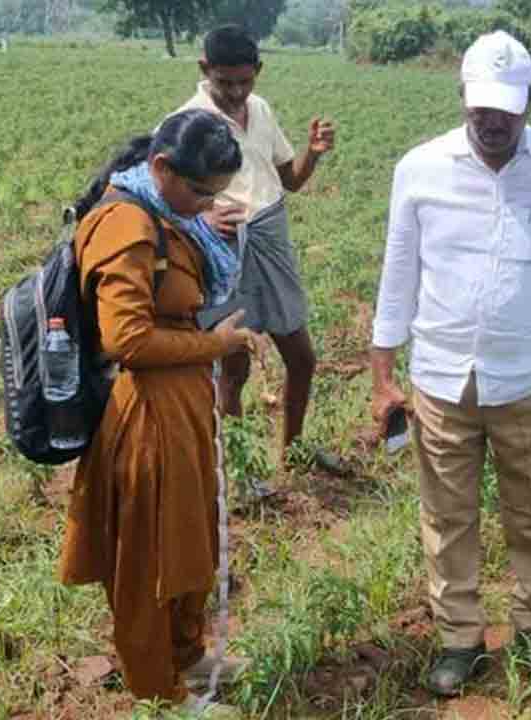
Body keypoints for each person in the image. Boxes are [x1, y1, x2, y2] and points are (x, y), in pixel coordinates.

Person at [370, 31, 531, 697]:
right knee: (447, 514)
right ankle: (459, 636)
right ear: (462, 97)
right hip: (440, 375)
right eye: (480, 108)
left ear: (529, 104)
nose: (492, 122)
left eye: (506, 110)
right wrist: (381, 373)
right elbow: (398, 271)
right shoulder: (421, 168)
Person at [58, 109, 261, 716]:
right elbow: (128, 339)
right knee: (147, 555)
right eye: (200, 192)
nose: (207, 205)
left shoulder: (168, 214)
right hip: (145, 413)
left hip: (181, 404)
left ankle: (189, 653)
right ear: (161, 168)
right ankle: (158, 689)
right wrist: (215, 345)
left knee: (188, 537)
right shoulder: (126, 224)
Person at [172, 24, 344, 495]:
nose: (234, 92)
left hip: (271, 235)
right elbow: (163, 194)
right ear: (204, 70)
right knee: (234, 367)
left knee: (303, 358)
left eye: (244, 82)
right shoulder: (188, 121)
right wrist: (203, 218)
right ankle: (240, 475)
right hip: (224, 248)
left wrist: (313, 153)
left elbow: (290, 179)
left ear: (258, 73)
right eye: (224, 82)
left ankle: (294, 452)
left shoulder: (261, 109)